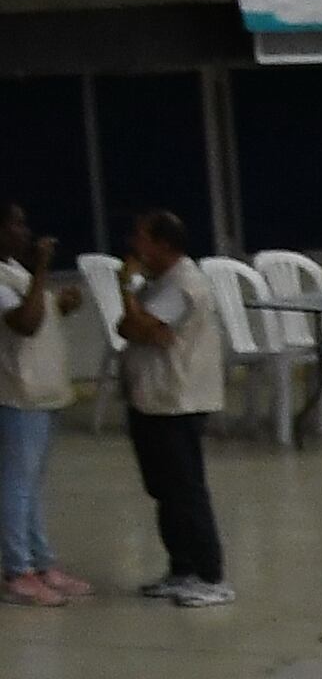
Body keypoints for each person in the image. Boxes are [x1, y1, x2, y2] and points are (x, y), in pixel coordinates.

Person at [114, 210, 228, 605]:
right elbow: (125, 327)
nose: (134, 244)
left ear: (163, 244)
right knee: (164, 490)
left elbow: (142, 328)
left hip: (177, 402)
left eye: (141, 237)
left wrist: (125, 288)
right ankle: (182, 568)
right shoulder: (158, 282)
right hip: (153, 399)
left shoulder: (183, 284)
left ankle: (211, 576)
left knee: (186, 490)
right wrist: (135, 310)